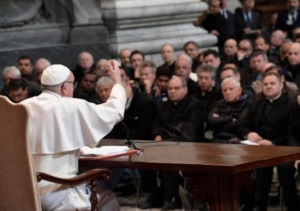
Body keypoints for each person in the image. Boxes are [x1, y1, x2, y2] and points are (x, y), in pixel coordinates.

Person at [20, 62, 126, 210]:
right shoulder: (71, 105)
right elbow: (115, 112)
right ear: (65, 87)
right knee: (108, 198)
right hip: (59, 193)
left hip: (25, 192)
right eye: (72, 84)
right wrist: (117, 82)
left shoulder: (22, 107)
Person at [237, 70, 300, 211]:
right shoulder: (256, 102)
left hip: (284, 147)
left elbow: (291, 133)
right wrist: (249, 133)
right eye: (265, 84)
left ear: (281, 85)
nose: (268, 86)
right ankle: (256, 204)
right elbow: (241, 124)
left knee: (284, 166)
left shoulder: (291, 103)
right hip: (259, 147)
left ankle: (292, 204)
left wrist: (273, 143)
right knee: (256, 162)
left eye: (272, 83)